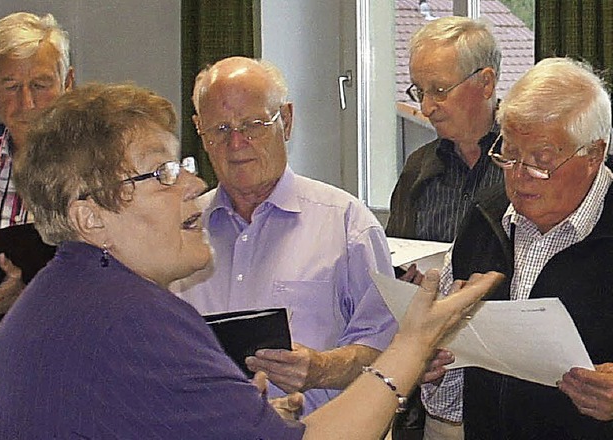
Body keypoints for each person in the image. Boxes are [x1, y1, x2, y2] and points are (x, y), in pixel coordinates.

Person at [0, 82, 503, 439]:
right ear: (89, 217)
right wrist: (413, 344)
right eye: (160, 174)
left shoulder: (73, 293)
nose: (196, 183)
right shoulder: (132, 317)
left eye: (179, 165)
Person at [173, 56, 398, 414]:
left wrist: (322, 369)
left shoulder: (347, 224)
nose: (236, 143)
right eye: (220, 130)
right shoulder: (178, 229)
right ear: (199, 130)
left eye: (253, 125)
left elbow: (390, 351)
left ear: (287, 120)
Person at [422, 57, 613, 439]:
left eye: (541, 162)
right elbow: (449, 404)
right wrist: (432, 368)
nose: (520, 176)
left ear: (593, 154)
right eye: (509, 156)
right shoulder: (483, 222)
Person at [0, 11, 74, 395]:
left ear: (69, 82)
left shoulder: (104, 178)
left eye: (41, 84)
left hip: (59, 400)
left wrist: (28, 307)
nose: (27, 102)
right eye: (11, 86)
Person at [386, 16, 503, 283]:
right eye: (419, 92)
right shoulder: (419, 167)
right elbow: (394, 258)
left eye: (439, 90)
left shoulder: (525, 163)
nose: (426, 108)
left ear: (486, 83)